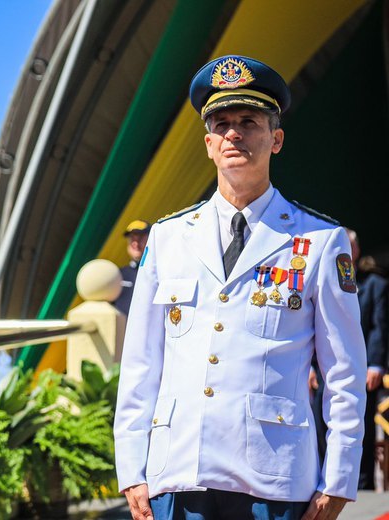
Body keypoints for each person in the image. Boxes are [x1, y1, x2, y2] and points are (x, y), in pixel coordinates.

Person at [114, 55, 366, 520]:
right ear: (208, 144)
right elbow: (141, 364)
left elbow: (344, 373)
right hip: (179, 472)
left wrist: (339, 480)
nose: (234, 133)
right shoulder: (168, 237)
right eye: (222, 123)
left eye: (249, 121)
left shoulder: (319, 240)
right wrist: (132, 468)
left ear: (276, 139)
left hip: (273, 479)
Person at [310, 229, 387, 490]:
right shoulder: (318, 276)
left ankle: (360, 484)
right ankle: (321, 481)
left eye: (349, 246)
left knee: (358, 425)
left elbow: (379, 327)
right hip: (324, 368)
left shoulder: (374, 284)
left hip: (361, 370)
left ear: (356, 251)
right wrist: (310, 366)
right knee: (320, 425)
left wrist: (375, 364)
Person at [114, 220, 151, 316]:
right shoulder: (118, 275)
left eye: (140, 237)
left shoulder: (160, 271)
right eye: (132, 238)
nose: (135, 243)